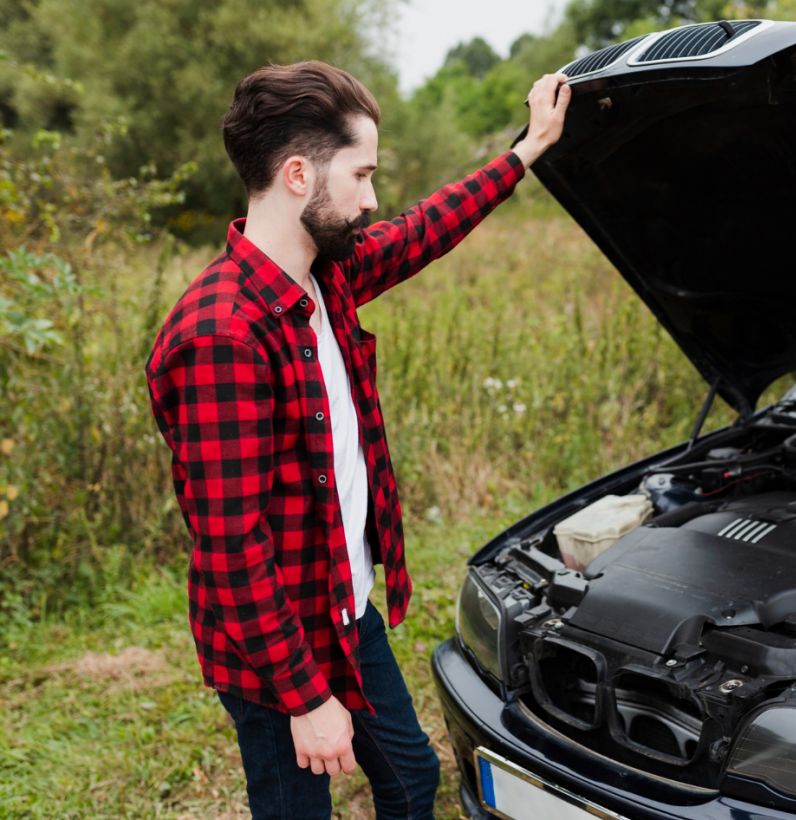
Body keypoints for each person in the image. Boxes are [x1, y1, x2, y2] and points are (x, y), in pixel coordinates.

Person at [145, 60, 570, 818]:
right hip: (275, 652)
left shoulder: (323, 277)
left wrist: (526, 150)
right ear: (301, 175)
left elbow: (424, 230)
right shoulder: (221, 333)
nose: (373, 201)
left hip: (344, 608)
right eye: (363, 175)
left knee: (409, 781)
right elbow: (231, 547)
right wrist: (306, 699)